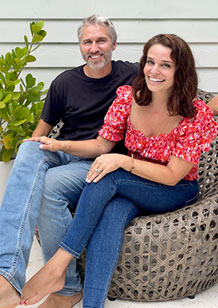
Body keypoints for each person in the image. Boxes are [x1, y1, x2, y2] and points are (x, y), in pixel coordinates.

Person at [21, 33, 218, 308]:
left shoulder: (195, 116)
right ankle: (92, 304)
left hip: (175, 190)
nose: (154, 71)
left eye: (165, 65)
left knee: (110, 173)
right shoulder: (128, 99)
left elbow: (173, 175)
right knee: (111, 215)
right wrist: (59, 144)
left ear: (180, 71)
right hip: (135, 186)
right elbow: (102, 145)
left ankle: (58, 265)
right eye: (150, 62)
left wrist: (124, 161)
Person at [0, 15, 139, 308]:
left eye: (101, 40)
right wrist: (31, 170)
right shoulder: (65, 82)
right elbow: (41, 134)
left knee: (52, 184)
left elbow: (180, 91)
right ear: (80, 47)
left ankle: (68, 287)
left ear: (113, 43)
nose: (94, 48)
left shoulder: (133, 75)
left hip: (101, 160)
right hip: (65, 151)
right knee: (28, 150)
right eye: (87, 42)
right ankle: (7, 274)